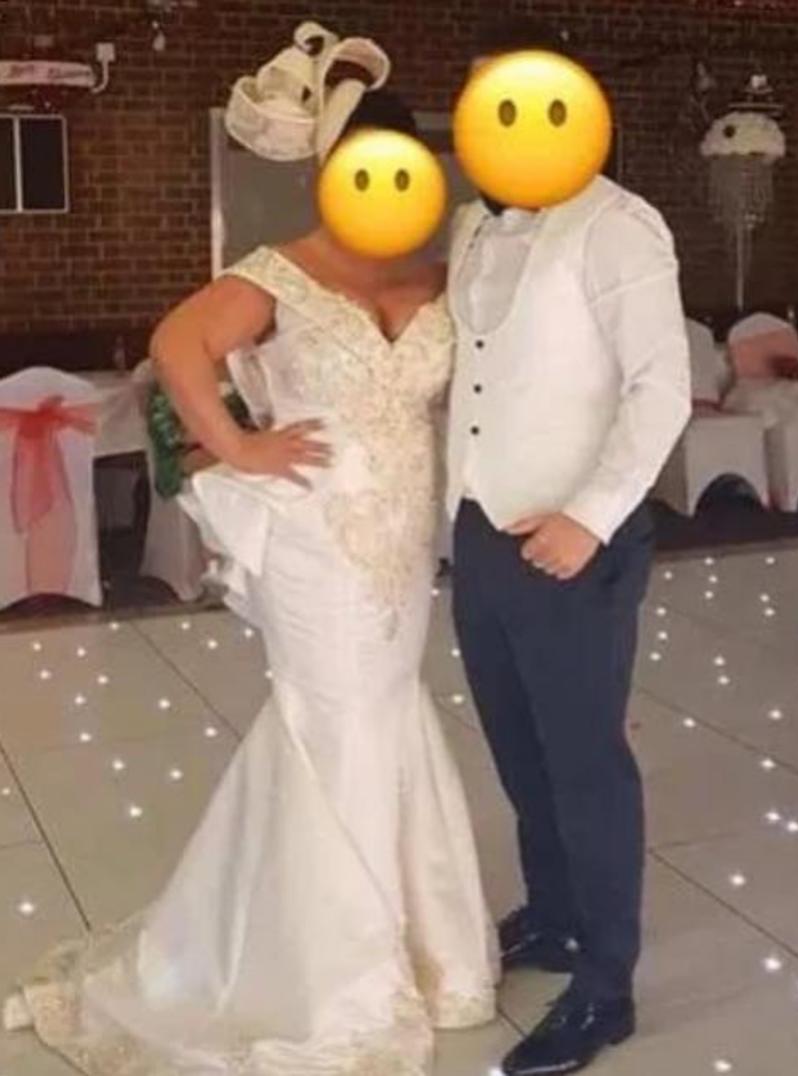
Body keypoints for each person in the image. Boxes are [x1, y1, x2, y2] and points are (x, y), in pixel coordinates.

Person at [2, 29, 497, 1075]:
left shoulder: (440, 277)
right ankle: (335, 973)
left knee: (384, 712)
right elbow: (176, 343)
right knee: (336, 720)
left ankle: (417, 943)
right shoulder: (281, 272)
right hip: (316, 537)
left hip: (404, 540)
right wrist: (236, 445)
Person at [447, 16, 692, 1076]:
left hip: (573, 542)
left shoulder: (618, 227)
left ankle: (605, 986)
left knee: (585, 761)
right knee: (517, 747)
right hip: (479, 530)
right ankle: (550, 914)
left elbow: (661, 387)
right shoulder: (470, 224)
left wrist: (589, 515)